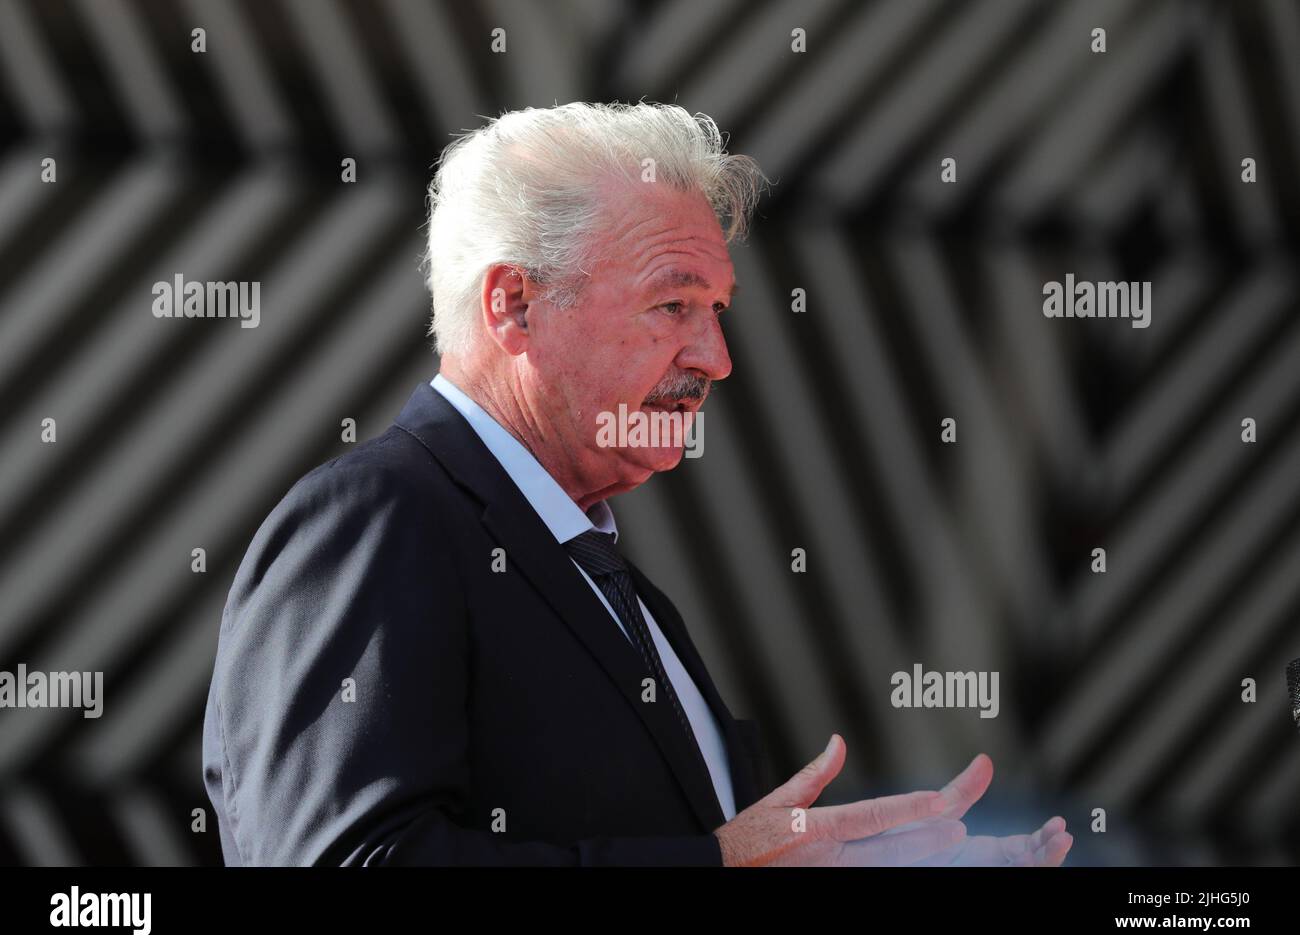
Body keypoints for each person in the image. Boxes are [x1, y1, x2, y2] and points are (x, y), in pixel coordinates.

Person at [201, 101, 1073, 867]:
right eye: (673, 304)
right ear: (514, 305)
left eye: (717, 310)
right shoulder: (378, 517)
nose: (716, 359)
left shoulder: (612, 584)